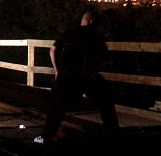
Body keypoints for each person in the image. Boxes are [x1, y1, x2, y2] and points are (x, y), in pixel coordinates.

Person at [35, 10, 119, 145]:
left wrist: (58, 70)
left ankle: (46, 137)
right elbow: (104, 58)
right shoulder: (96, 35)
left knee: (57, 107)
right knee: (106, 101)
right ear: (91, 21)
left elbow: (52, 50)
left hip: (67, 76)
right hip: (87, 76)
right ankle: (112, 133)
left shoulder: (69, 32)